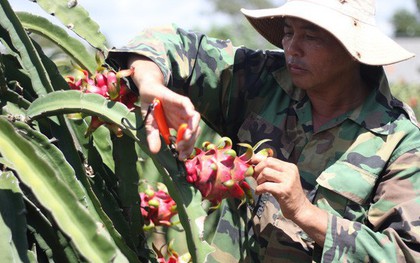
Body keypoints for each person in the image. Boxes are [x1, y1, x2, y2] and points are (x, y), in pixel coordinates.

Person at [106, 0, 420, 262]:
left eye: (310, 36)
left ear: (353, 50)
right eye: (287, 32)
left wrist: (305, 212)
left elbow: (406, 253)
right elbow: (167, 42)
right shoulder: (260, 79)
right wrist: (150, 83)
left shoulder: (401, 141)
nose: (292, 47)